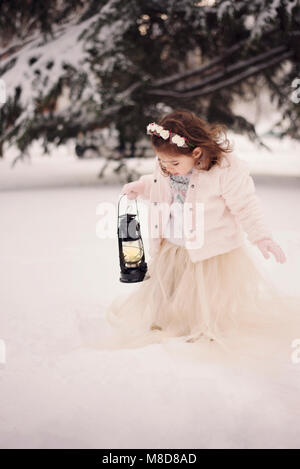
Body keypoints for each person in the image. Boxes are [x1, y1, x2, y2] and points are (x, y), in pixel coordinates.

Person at [96, 109, 300, 374]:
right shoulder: (167, 165)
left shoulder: (225, 170)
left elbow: (245, 204)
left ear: (195, 152)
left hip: (209, 251)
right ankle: (166, 322)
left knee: (203, 296)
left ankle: (203, 329)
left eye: (173, 163)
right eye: (162, 162)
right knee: (166, 289)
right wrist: (142, 187)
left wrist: (261, 237)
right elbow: (159, 185)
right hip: (172, 244)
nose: (167, 168)